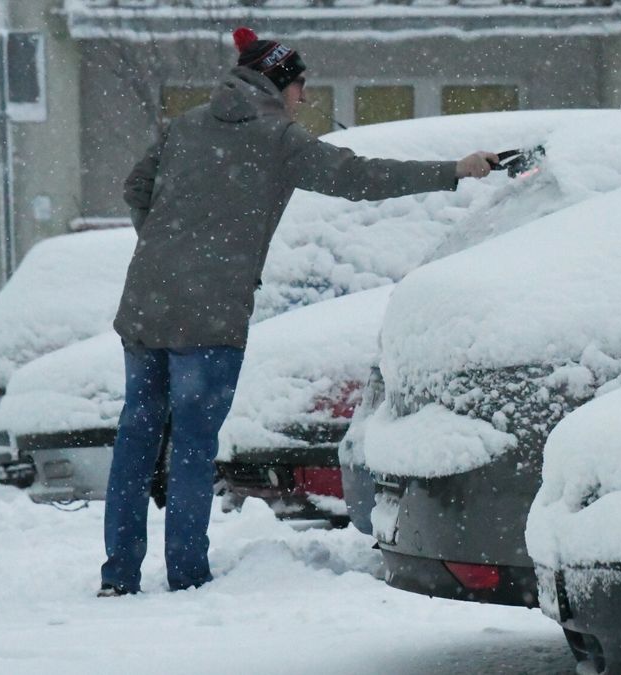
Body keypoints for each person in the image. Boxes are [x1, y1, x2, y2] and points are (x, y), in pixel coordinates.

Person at [99, 27, 497, 596]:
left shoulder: (185, 126)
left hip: (147, 302)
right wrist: (452, 170)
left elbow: (136, 188)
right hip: (210, 315)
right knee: (191, 444)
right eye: (300, 85)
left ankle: (119, 574)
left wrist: (168, 251)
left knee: (136, 436)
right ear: (277, 81)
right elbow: (360, 177)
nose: (304, 98)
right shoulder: (278, 139)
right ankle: (186, 575)